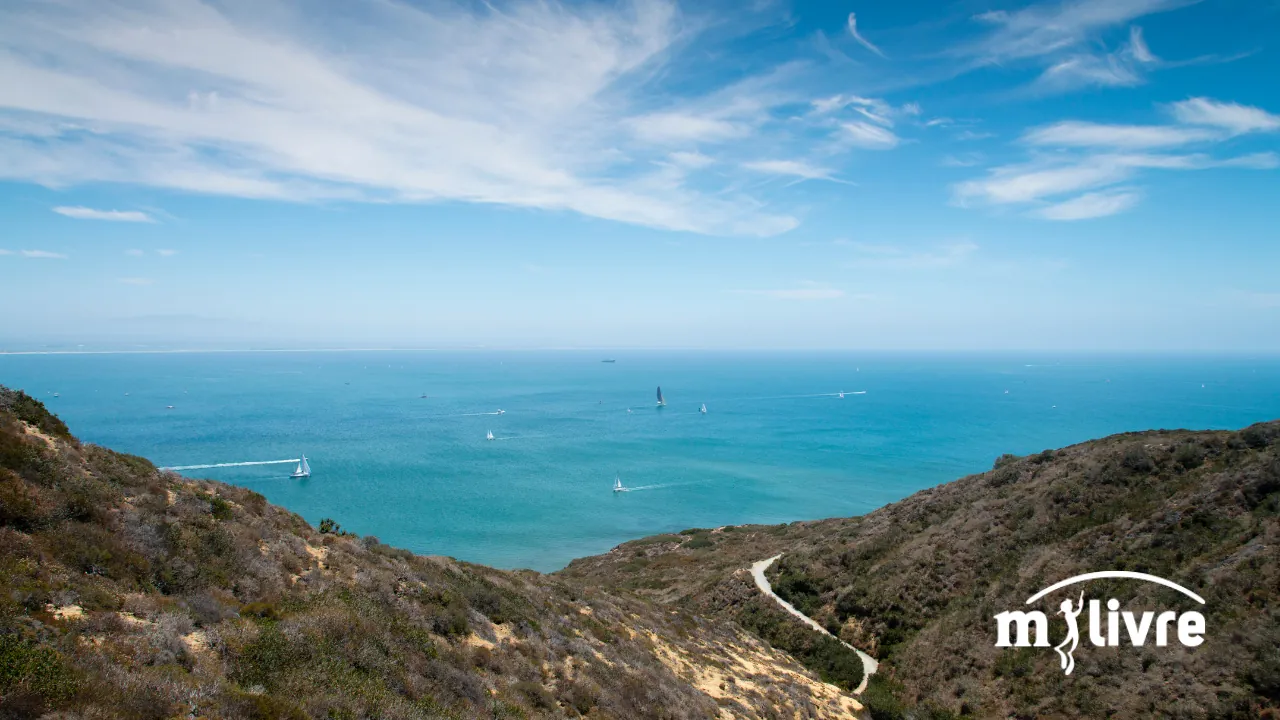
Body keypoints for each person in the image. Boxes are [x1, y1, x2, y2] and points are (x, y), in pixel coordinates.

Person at [1054, 590, 1085, 675]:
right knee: (1072, 648)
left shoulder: (1067, 615)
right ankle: (1067, 658)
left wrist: (1081, 599)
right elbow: (1079, 610)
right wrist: (1081, 599)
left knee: (1070, 647)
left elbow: (1078, 609)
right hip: (1074, 631)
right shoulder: (1070, 615)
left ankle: (1063, 653)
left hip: (1072, 631)